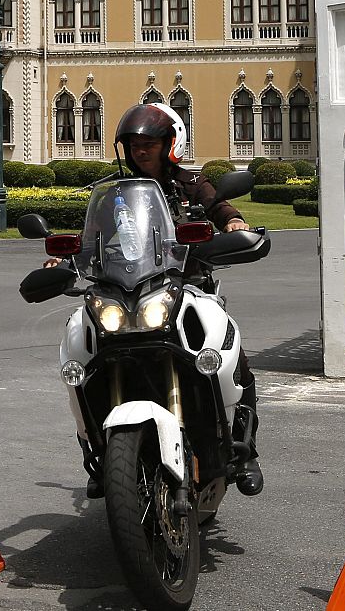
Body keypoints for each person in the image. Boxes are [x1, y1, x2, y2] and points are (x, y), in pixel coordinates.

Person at [110, 102, 264, 498]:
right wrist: (66, 254)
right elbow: (96, 232)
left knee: (229, 354)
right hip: (133, 291)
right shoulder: (118, 192)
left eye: (150, 143)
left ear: (169, 144)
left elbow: (217, 205)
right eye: (134, 144)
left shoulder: (191, 184)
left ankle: (245, 451)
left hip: (188, 286)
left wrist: (232, 221)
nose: (141, 151)